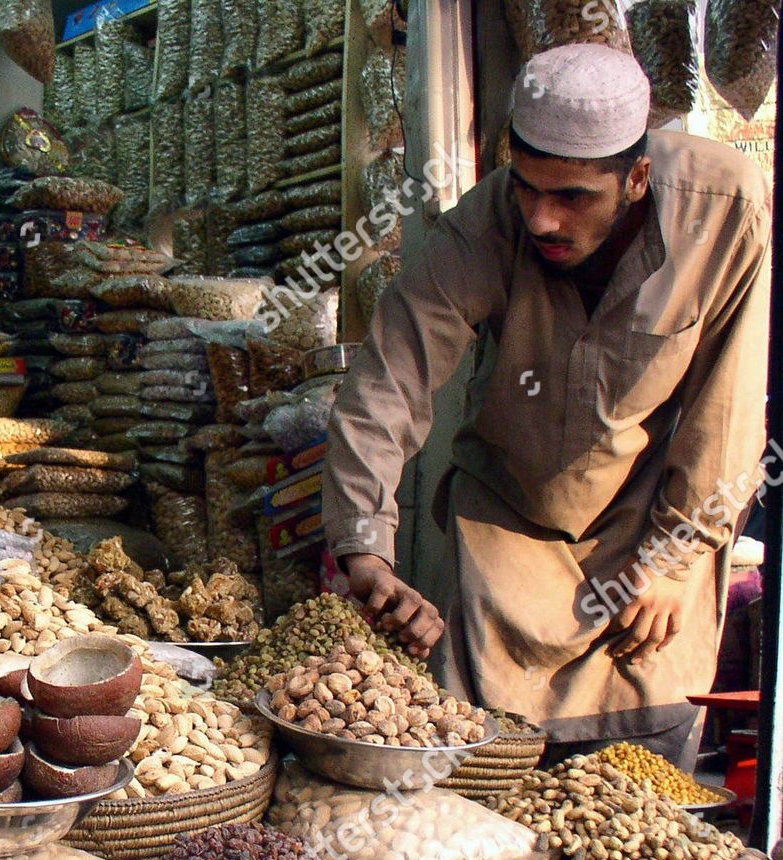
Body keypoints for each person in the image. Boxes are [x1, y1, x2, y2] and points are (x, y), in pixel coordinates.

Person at [321, 43, 770, 765]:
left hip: (648, 533)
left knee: (642, 795)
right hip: (509, 526)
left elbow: (733, 403)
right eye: (528, 188)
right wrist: (363, 545)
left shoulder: (724, 210)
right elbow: (388, 381)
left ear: (638, 177)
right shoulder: (484, 226)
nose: (541, 220)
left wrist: (677, 557)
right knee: (485, 770)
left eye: (572, 198)